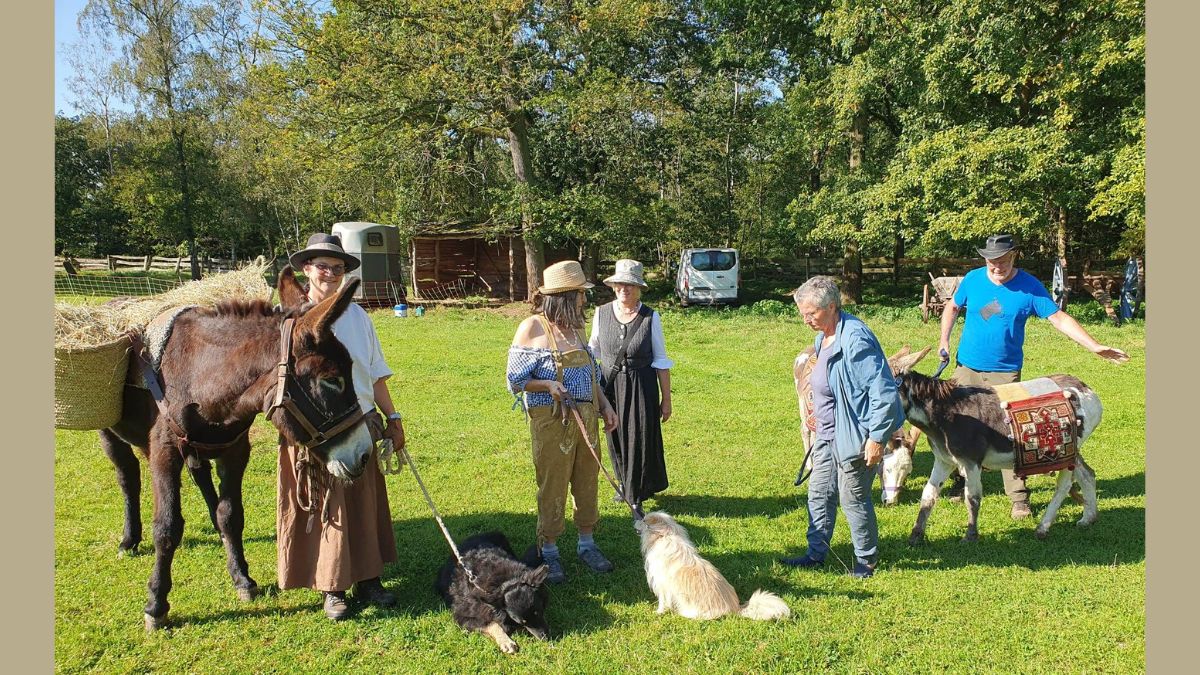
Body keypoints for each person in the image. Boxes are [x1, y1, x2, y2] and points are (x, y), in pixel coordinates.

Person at [939, 233, 1129, 519]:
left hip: (1004, 373)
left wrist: (1094, 346)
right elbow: (952, 306)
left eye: (1003, 261)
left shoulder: (1029, 286)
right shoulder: (973, 279)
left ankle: (1018, 497)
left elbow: (1058, 318)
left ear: (1013, 256)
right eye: (991, 262)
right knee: (959, 426)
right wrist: (944, 340)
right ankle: (961, 482)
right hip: (966, 368)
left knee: (1009, 432)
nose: (997, 267)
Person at [277, 233, 405, 620]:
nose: (330, 274)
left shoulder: (358, 317)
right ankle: (331, 586)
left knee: (363, 505)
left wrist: (393, 418)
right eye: (323, 266)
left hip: (359, 421)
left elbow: (375, 373)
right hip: (315, 429)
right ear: (306, 269)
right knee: (324, 504)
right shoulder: (290, 318)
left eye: (337, 268)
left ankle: (368, 578)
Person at [780, 276, 904, 579]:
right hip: (826, 435)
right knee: (819, 493)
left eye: (812, 313)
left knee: (853, 498)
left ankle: (865, 561)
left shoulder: (855, 340)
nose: (806, 320)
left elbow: (883, 393)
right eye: (803, 314)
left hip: (853, 437)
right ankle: (816, 554)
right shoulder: (824, 337)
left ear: (832, 306)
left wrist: (876, 438)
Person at [506, 260, 620, 585]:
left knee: (587, 480)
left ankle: (587, 544)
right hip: (552, 421)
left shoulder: (578, 329)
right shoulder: (532, 328)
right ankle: (550, 550)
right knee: (553, 484)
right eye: (580, 294)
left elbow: (593, 376)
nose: (584, 299)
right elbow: (515, 380)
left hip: (586, 418)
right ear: (565, 296)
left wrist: (606, 406)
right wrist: (547, 385)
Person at [588, 259, 674, 519]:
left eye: (630, 285)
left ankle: (635, 496)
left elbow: (661, 360)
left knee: (638, 437)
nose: (624, 289)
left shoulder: (650, 317)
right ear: (614, 287)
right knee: (614, 435)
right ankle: (625, 483)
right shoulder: (601, 313)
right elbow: (593, 352)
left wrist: (666, 399)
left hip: (641, 385)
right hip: (610, 384)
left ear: (639, 289)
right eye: (620, 284)